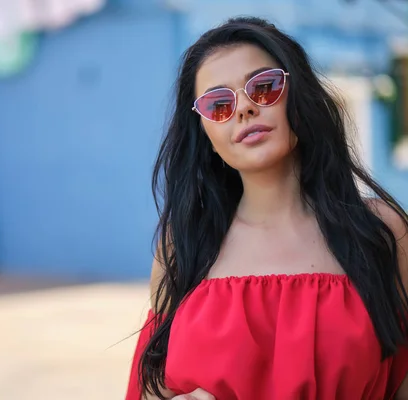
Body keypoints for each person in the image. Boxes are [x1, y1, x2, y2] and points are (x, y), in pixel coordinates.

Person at [124, 16, 408, 400]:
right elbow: (148, 387)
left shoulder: (381, 231)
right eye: (218, 103)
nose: (243, 109)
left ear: (299, 95)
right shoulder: (184, 241)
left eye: (264, 87)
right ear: (204, 133)